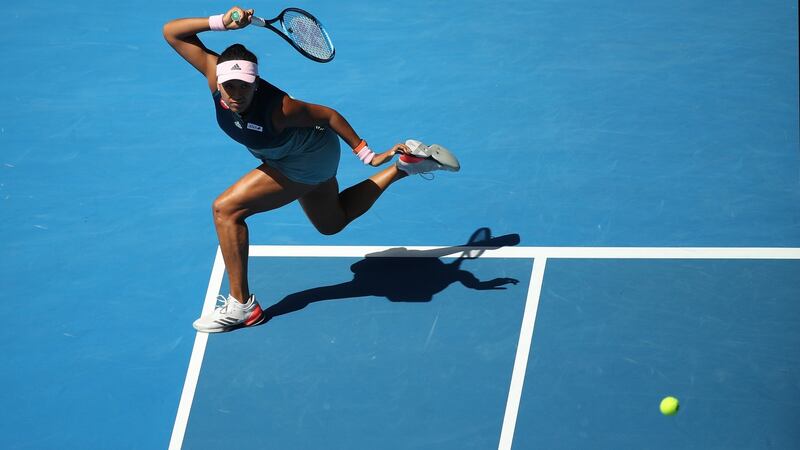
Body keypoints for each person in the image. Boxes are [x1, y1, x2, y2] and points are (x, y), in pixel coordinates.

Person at [162, 6, 460, 332]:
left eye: (244, 86)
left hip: (307, 157)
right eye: (229, 86)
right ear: (218, 80)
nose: (236, 94)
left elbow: (329, 115)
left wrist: (368, 155)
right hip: (295, 155)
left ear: (256, 83)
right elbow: (172, 32)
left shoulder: (281, 108)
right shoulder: (212, 75)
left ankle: (243, 306)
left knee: (226, 211)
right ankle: (405, 168)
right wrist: (220, 23)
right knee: (331, 223)